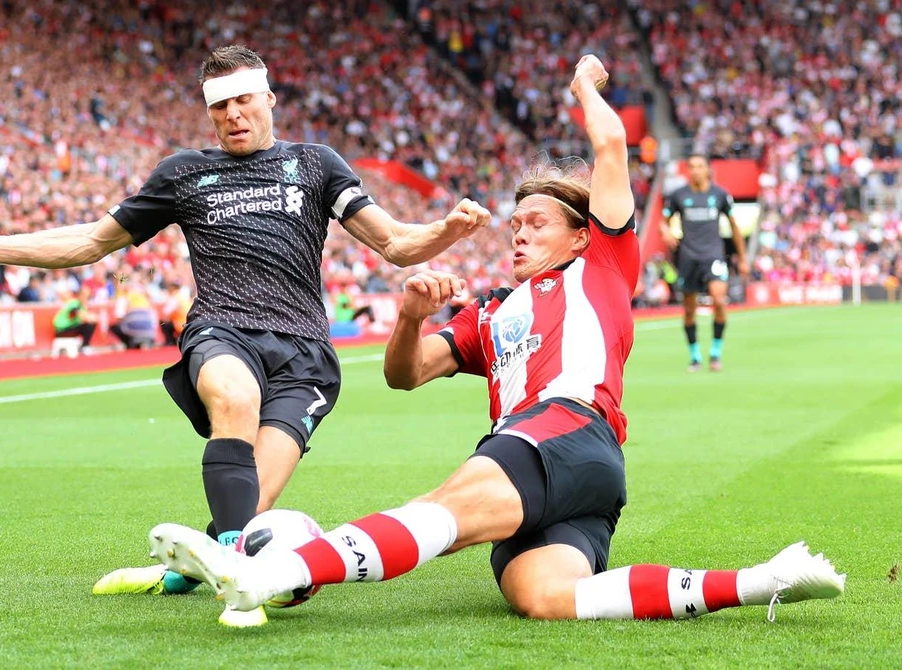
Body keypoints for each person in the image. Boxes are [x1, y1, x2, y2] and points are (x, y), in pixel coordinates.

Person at [145, 55, 844, 627]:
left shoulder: (602, 266)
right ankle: (764, 580)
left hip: (564, 428)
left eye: (537, 223)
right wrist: (411, 316)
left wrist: (584, 88)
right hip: (578, 478)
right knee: (546, 597)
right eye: (514, 224)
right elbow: (405, 374)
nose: (520, 233)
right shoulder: (488, 312)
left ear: (582, 236)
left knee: (442, 509)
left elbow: (608, 147)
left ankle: (268, 573)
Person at [0, 44, 490, 627]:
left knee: (248, 510)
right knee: (235, 398)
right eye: (219, 105)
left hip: (305, 357)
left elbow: (397, 243)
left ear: (269, 99)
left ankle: (187, 571)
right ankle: (241, 590)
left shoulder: (317, 165)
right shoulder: (183, 173)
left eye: (243, 100)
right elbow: (92, 241)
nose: (233, 114)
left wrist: (447, 229)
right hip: (222, 331)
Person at [661, 155, 748, 372]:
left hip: (713, 254)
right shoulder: (678, 195)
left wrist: (743, 258)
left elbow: (734, 226)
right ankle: (695, 356)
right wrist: (666, 232)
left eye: (700, 166)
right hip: (688, 257)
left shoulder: (719, 195)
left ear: (708, 169)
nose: (695, 170)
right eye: (691, 167)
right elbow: (663, 222)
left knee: (719, 301)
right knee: (689, 309)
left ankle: (715, 353)